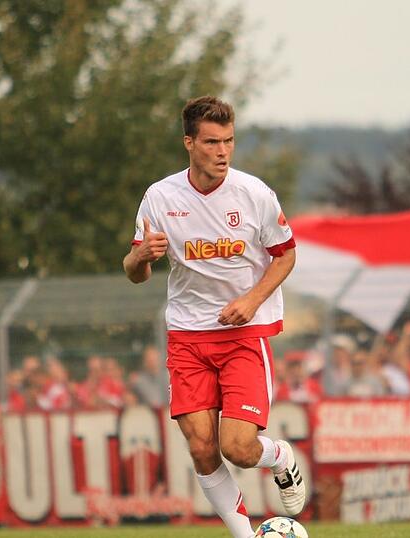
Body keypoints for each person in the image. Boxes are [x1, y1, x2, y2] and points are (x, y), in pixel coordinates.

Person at [122, 96, 304, 536]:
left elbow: (286, 255)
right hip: (187, 336)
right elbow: (134, 272)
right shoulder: (160, 197)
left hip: (243, 334)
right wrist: (141, 257)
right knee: (203, 448)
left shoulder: (254, 194)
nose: (223, 152)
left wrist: (252, 300)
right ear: (189, 143)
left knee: (238, 448)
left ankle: (279, 457)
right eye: (211, 142)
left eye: (229, 141)